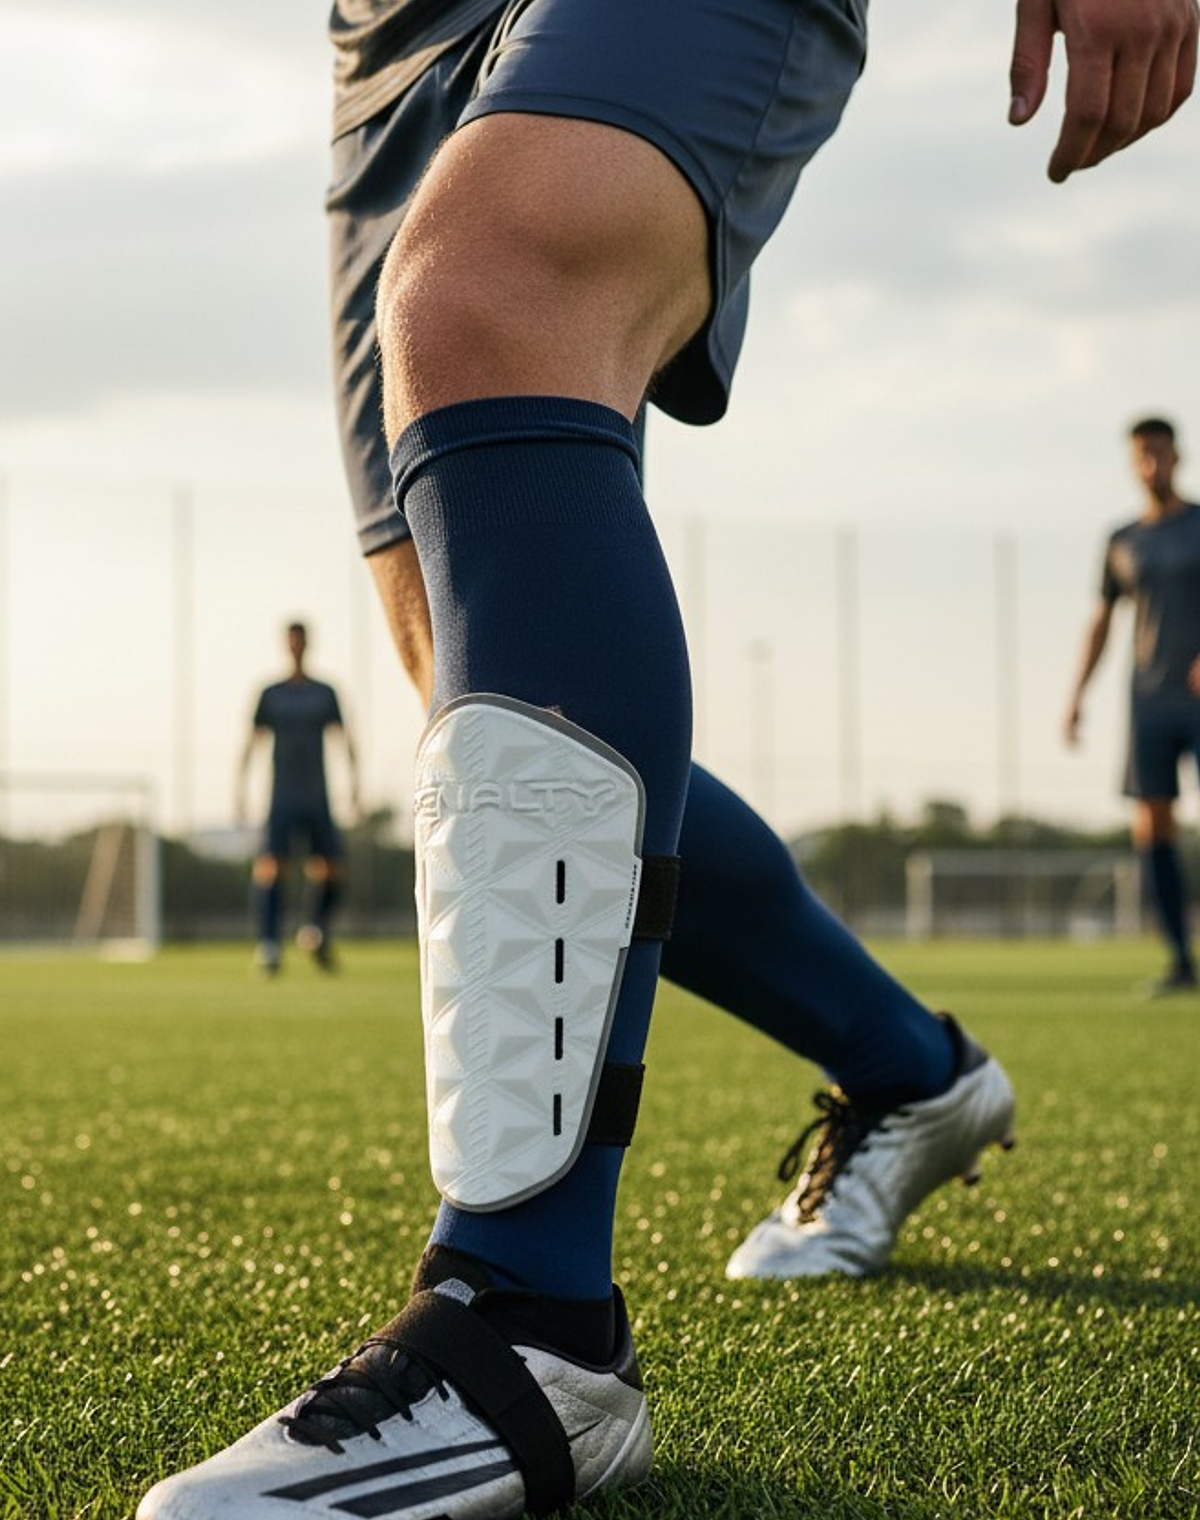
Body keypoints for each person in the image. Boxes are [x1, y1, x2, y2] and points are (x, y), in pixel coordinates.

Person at [141, 1, 1196, 1515]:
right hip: (392, 24)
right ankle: (914, 1073)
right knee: (484, 684)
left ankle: (534, 1322)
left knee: (495, 283)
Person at [1065, 416, 1200, 995]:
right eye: (1142, 455)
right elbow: (1101, 620)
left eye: (1160, 453)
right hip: (1147, 703)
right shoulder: (1122, 539)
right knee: (1153, 828)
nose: (1152, 464)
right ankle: (1180, 961)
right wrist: (1076, 695)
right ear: (1133, 462)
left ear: (1178, 456)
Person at [236, 620, 359, 974]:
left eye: (301, 641)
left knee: (332, 868)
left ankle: (314, 929)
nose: (296, 647)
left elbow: (343, 737)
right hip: (282, 795)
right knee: (272, 867)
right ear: (285, 645)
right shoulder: (271, 693)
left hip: (317, 795)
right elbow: (253, 740)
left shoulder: (324, 692)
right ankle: (269, 945)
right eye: (291, 641)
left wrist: (354, 782)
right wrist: (240, 788)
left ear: (307, 644)